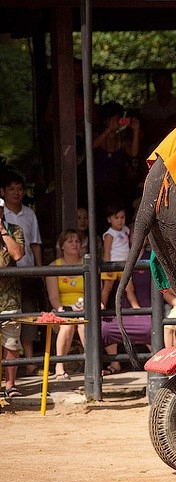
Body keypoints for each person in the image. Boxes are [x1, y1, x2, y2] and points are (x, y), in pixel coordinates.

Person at [1, 171, 43, 373]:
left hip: (26, 270)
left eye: (20, 189)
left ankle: (30, 361)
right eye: (12, 189)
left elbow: (35, 244)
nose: (16, 193)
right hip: (7, 276)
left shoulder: (29, 214)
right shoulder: (3, 215)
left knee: (26, 315)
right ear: (3, 192)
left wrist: (40, 270)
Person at [45, 229, 86, 380]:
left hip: (84, 308)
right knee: (67, 324)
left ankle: (92, 365)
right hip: (62, 309)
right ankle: (59, 366)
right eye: (70, 241)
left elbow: (95, 290)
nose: (74, 244)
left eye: (77, 241)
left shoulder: (86, 263)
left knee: (84, 324)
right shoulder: (53, 267)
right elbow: (53, 297)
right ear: (62, 246)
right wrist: (64, 311)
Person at [92, 101, 141, 218]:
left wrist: (136, 131)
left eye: (117, 119)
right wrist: (109, 129)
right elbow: (92, 146)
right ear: (105, 120)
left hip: (117, 189)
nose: (115, 122)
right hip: (99, 189)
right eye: (111, 119)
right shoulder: (97, 136)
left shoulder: (121, 139)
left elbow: (133, 152)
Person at [0, 198, 26, 397]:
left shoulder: (14, 230)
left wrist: (2, 231)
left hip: (9, 299)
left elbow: (17, 255)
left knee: (11, 342)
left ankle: (10, 384)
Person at [100, 203, 139, 309]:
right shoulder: (109, 234)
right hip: (112, 265)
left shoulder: (126, 230)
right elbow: (106, 251)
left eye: (122, 217)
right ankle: (102, 305)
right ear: (109, 219)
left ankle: (136, 307)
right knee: (107, 287)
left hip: (124, 265)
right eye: (116, 218)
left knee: (129, 288)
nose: (120, 220)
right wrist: (107, 266)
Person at [141, 70, 176, 150]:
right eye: (159, 83)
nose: (162, 86)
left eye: (165, 82)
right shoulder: (148, 107)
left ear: (170, 84)